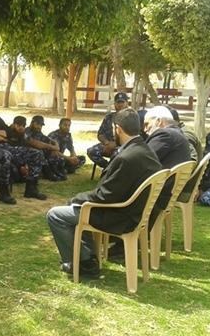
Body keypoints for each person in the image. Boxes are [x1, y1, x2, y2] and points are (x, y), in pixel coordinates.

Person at [46, 108, 162, 278]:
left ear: (118, 129)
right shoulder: (146, 150)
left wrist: (77, 199)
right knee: (78, 208)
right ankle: (88, 258)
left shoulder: (127, 158)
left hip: (119, 215)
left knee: (56, 215)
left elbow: (105, 196)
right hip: (136, 212)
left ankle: (82, 264)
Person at [0, 96, 47, 204]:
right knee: (5, 155)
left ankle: (31, 189)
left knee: (36, 153)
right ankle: (3, 193)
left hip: (5, 146)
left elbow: (10, 133)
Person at [87, 92, 129, 168]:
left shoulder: (131, 118)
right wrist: (107, 143)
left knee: (117, 155)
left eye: (122, 102)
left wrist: (115, 145)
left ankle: (113, 170)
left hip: (123, 147)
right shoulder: (109, 117)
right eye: (118, 102)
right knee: (91, 151)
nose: (120, 105)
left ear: (127, 103)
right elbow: (100, 134)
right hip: (107, 145)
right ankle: (108, 168)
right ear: (114, 104)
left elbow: (133, 137)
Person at [24, 115, 67, 181]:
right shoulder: (27, 131)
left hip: (39, 155)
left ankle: (56, 171)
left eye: (41, 125)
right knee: (40, 152)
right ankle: (48, 173)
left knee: (54, 153)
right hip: (28, 154)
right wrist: (53, 147)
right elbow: (37, 144)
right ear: (32, 123)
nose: (39, 127)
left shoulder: (38, 132)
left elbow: (49, 140)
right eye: (37, 124)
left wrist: (55, 145)